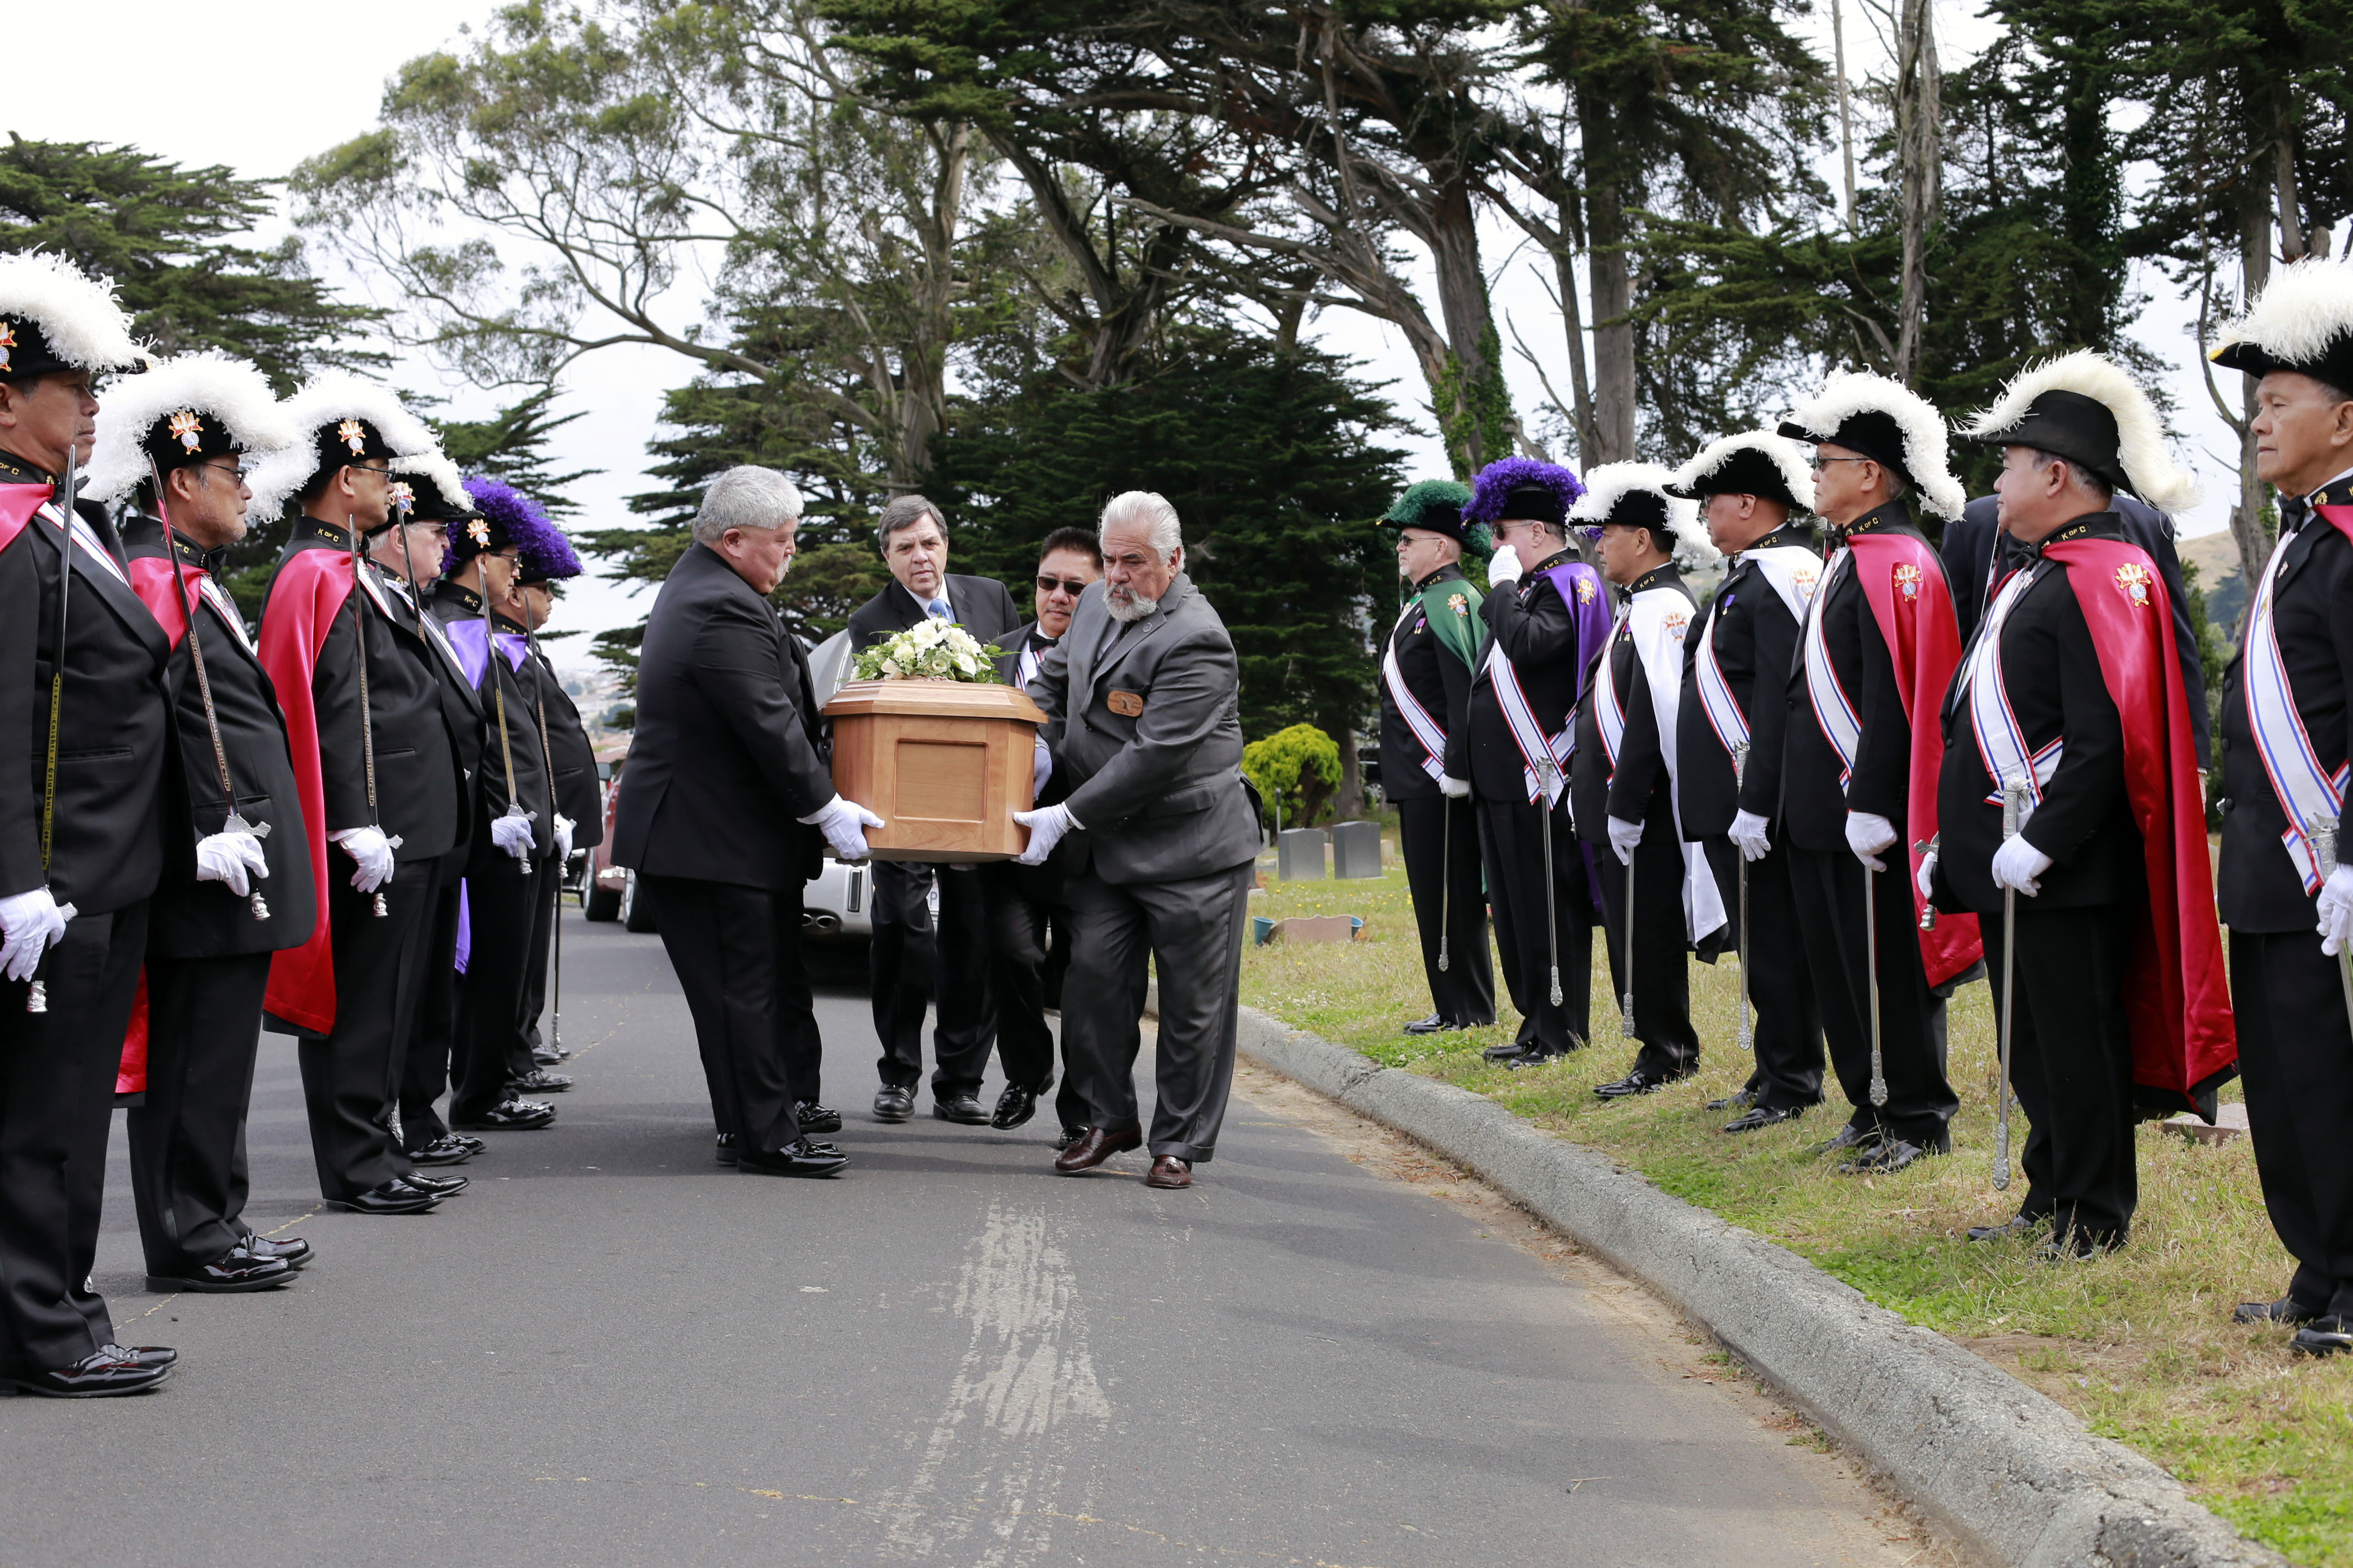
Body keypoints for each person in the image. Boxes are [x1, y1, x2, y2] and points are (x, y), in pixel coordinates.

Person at [1925, 350, 2234, 1259]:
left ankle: (2093, 1215)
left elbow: (2105, 739)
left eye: (2007, 463)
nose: (1994, 481)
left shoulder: (2104, 574)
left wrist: (2044, 842)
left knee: (2076, 1046)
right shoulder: (2043, 570)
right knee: (2032, 1047)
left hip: (2063, 863)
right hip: (2008, 851)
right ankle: (2047, 1193)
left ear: (2054, 474)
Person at [96, 355, 321, 1292]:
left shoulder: (190, 572)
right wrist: (199, 834)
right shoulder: (156, 577)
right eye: (232, 476)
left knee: (217, 1063)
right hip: (207, 869)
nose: (245, 495)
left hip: (236, 861)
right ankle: (193, 1238)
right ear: (182, 480)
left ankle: (215, 1221)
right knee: (195, 1063)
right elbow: (148, 728)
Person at [0, 254, 179, 1395]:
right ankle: (42, 1331)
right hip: (57, 877)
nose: (94, 408)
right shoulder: (15, 531)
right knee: (42, 1123)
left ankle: (59, 1308)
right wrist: (17, 875)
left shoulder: (58, 525)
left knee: (66, 1115)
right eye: (75, 388)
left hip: (104, 868)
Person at [611, 466, 869, 1178]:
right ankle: (765, 1135)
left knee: (743, 988)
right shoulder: (721, 605)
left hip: (713, 836)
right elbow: (767, 722)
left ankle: (751, 1122)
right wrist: (826, 808)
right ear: (733, 539)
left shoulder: (709, 588)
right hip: (708, 839)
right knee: (741, 990)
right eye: (782, 542)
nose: (791, 554)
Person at [249, 377, 467, 1215]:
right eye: (381, 473)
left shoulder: (351, 569)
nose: (390, 489)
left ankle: (377, 1143)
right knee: (363, 1005)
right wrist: (352, 820)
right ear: (347, 479)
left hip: (412, 828)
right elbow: (323, 711)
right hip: (373, 833)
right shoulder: (314, 571)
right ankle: (356, 1163)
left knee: (394, 1001)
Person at [1015, 491, 1263, 1190]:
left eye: (1136, 562)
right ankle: (1109, 1117)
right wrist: (1022, 744)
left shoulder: (1199, 638)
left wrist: (1062, 815)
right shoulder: (1095, 604)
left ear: (1174, 560)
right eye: (1111, 560)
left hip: (1193, 849)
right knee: (1090, 980)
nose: (1119, 576)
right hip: (1108, 846)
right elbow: (1052, 688)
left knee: (1193, 1005)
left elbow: (1151, 757)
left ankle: (1178, 1141)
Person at [1774, 372, 1982, 1174]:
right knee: (1840, 969)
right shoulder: (1848, 554)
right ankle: (1869, 1104)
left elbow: (1905, 696)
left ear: (1869, 473)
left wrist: (1872, 801)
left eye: (1825, 462)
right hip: (1822, 810)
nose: (1814, 475)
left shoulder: (1900, 561)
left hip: (1874, 813)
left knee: (1890, 969)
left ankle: (1918, 1115)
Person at [2206, 259, 2353, 1354]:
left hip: (2328, 870)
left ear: (2344, 417)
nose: (2257, 421)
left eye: (2277, 401)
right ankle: (2320, 1263)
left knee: (2334, 1079)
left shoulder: (2345, 548)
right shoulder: (2303, 536)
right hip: (2269, 869)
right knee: (2291, 1077)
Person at [1668, 433, 1830, 1130]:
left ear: (1747, 500)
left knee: (1777, 945)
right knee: (1760, 945)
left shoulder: (1787, 570)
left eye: (1711, 502)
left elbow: (1783, 695)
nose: (1704, 516)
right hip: (1729, 798)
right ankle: (1772, 1068)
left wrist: (1758, 799)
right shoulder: (1747, 571)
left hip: (1761, 799)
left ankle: (1794, 1080)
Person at [844, 495, 1021, 1126]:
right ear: (887, 558)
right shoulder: (871, 620)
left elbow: (1015, 681)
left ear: (944, 544)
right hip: (906, 795)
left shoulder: (992, 596)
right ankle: (898, 1076)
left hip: (978, 793)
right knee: (900, 927)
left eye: (928, 543)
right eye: (904, 549)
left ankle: (960, 1083)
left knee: (974, 933)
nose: (920, 557)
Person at [1568, 463, 1726, 1098]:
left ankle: (1668, 1050)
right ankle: (1652, 1044)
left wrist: (1629, 803)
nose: (1599, 545)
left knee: (1649, 932)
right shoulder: (1642, 605)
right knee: (1631, 932)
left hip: (1647, 810)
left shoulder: (1662, 608)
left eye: (1606, 534)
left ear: (1641, 538)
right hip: (1621, 804)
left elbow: (1658, 718)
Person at [428, 479, 570, 1135]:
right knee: (490, 972)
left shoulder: (478, 628)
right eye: (511, 561)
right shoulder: (460, 630)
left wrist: (547, 814)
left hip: (519, 830)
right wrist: (501, 812)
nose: (517, 576)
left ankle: (486, 1086)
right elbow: (477, 742)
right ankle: (478, 1093)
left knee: (507, 968)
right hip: (493, 835)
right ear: (480, 558)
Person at [1463, 458, 1611, 1068]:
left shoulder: (1568, 580)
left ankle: (1561, 1029)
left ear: (1535, 531)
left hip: (1541, 776)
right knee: (1517, 906)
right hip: (1506, 778)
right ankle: (1534, 1022)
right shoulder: (1535, 586)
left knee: (1548, 907)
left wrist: (1499, 590)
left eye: (1501, 534)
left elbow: (1530, 646)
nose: (1495, 546)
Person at [1943, 492, 2208, 767]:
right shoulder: (1974, 521)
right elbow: (1953, 648)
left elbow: (2175, 647)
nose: (2000, 482)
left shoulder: (2149, 525)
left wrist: (2196, 763)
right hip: (2000, 744)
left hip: (2116, 745)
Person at [987, 525, 1101, 1144]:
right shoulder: (994, 652)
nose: (1057, 595)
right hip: (1008, 846)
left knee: (1085, 979)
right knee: (1011, 957)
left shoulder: (1117, 654)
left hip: (1086, 849)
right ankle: (1028, 1072)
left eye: (1074, 586)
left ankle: (1081, 1106)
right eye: (1047, 582)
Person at [1377, 481, 1496, 1037]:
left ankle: (1468, 1007)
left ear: (1444, 547)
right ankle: (1449, 1004)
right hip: (1416, 779)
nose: (1399, 548)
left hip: (1439, 778)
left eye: (1408, 539)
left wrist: (1455, 771)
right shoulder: (1419, 603)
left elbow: (1462, 695)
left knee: (1453, 898)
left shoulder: (1451, 600)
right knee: (1431, 897)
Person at [505, 518, 603, 1075]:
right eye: (544, 589)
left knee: (533, 941)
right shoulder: (503, 649)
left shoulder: (526, 649)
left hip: (551, 820)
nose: (550, 601)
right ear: (517, 590)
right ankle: (517, 1041)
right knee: (520, 946)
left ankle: (526, 1034)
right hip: (531, 819)